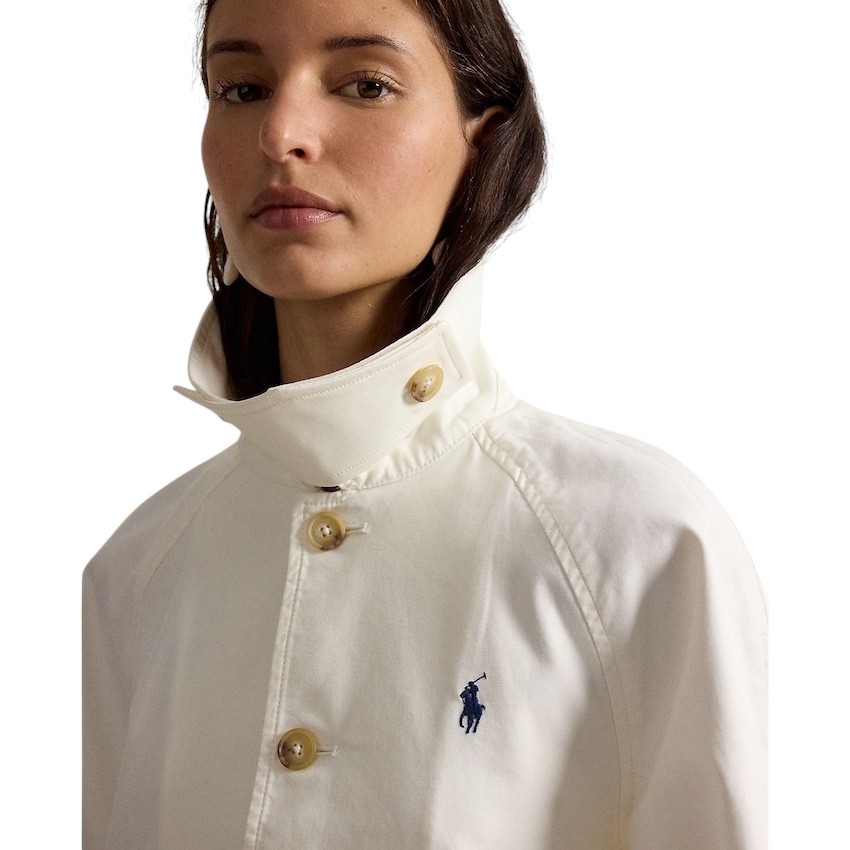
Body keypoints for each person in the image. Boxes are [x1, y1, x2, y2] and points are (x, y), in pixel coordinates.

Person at [82, 0, 767, 847]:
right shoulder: (134, 574)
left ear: (484, 138)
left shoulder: (640, 543)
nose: (280, 134)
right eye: (242, 88)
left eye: (366, 84)